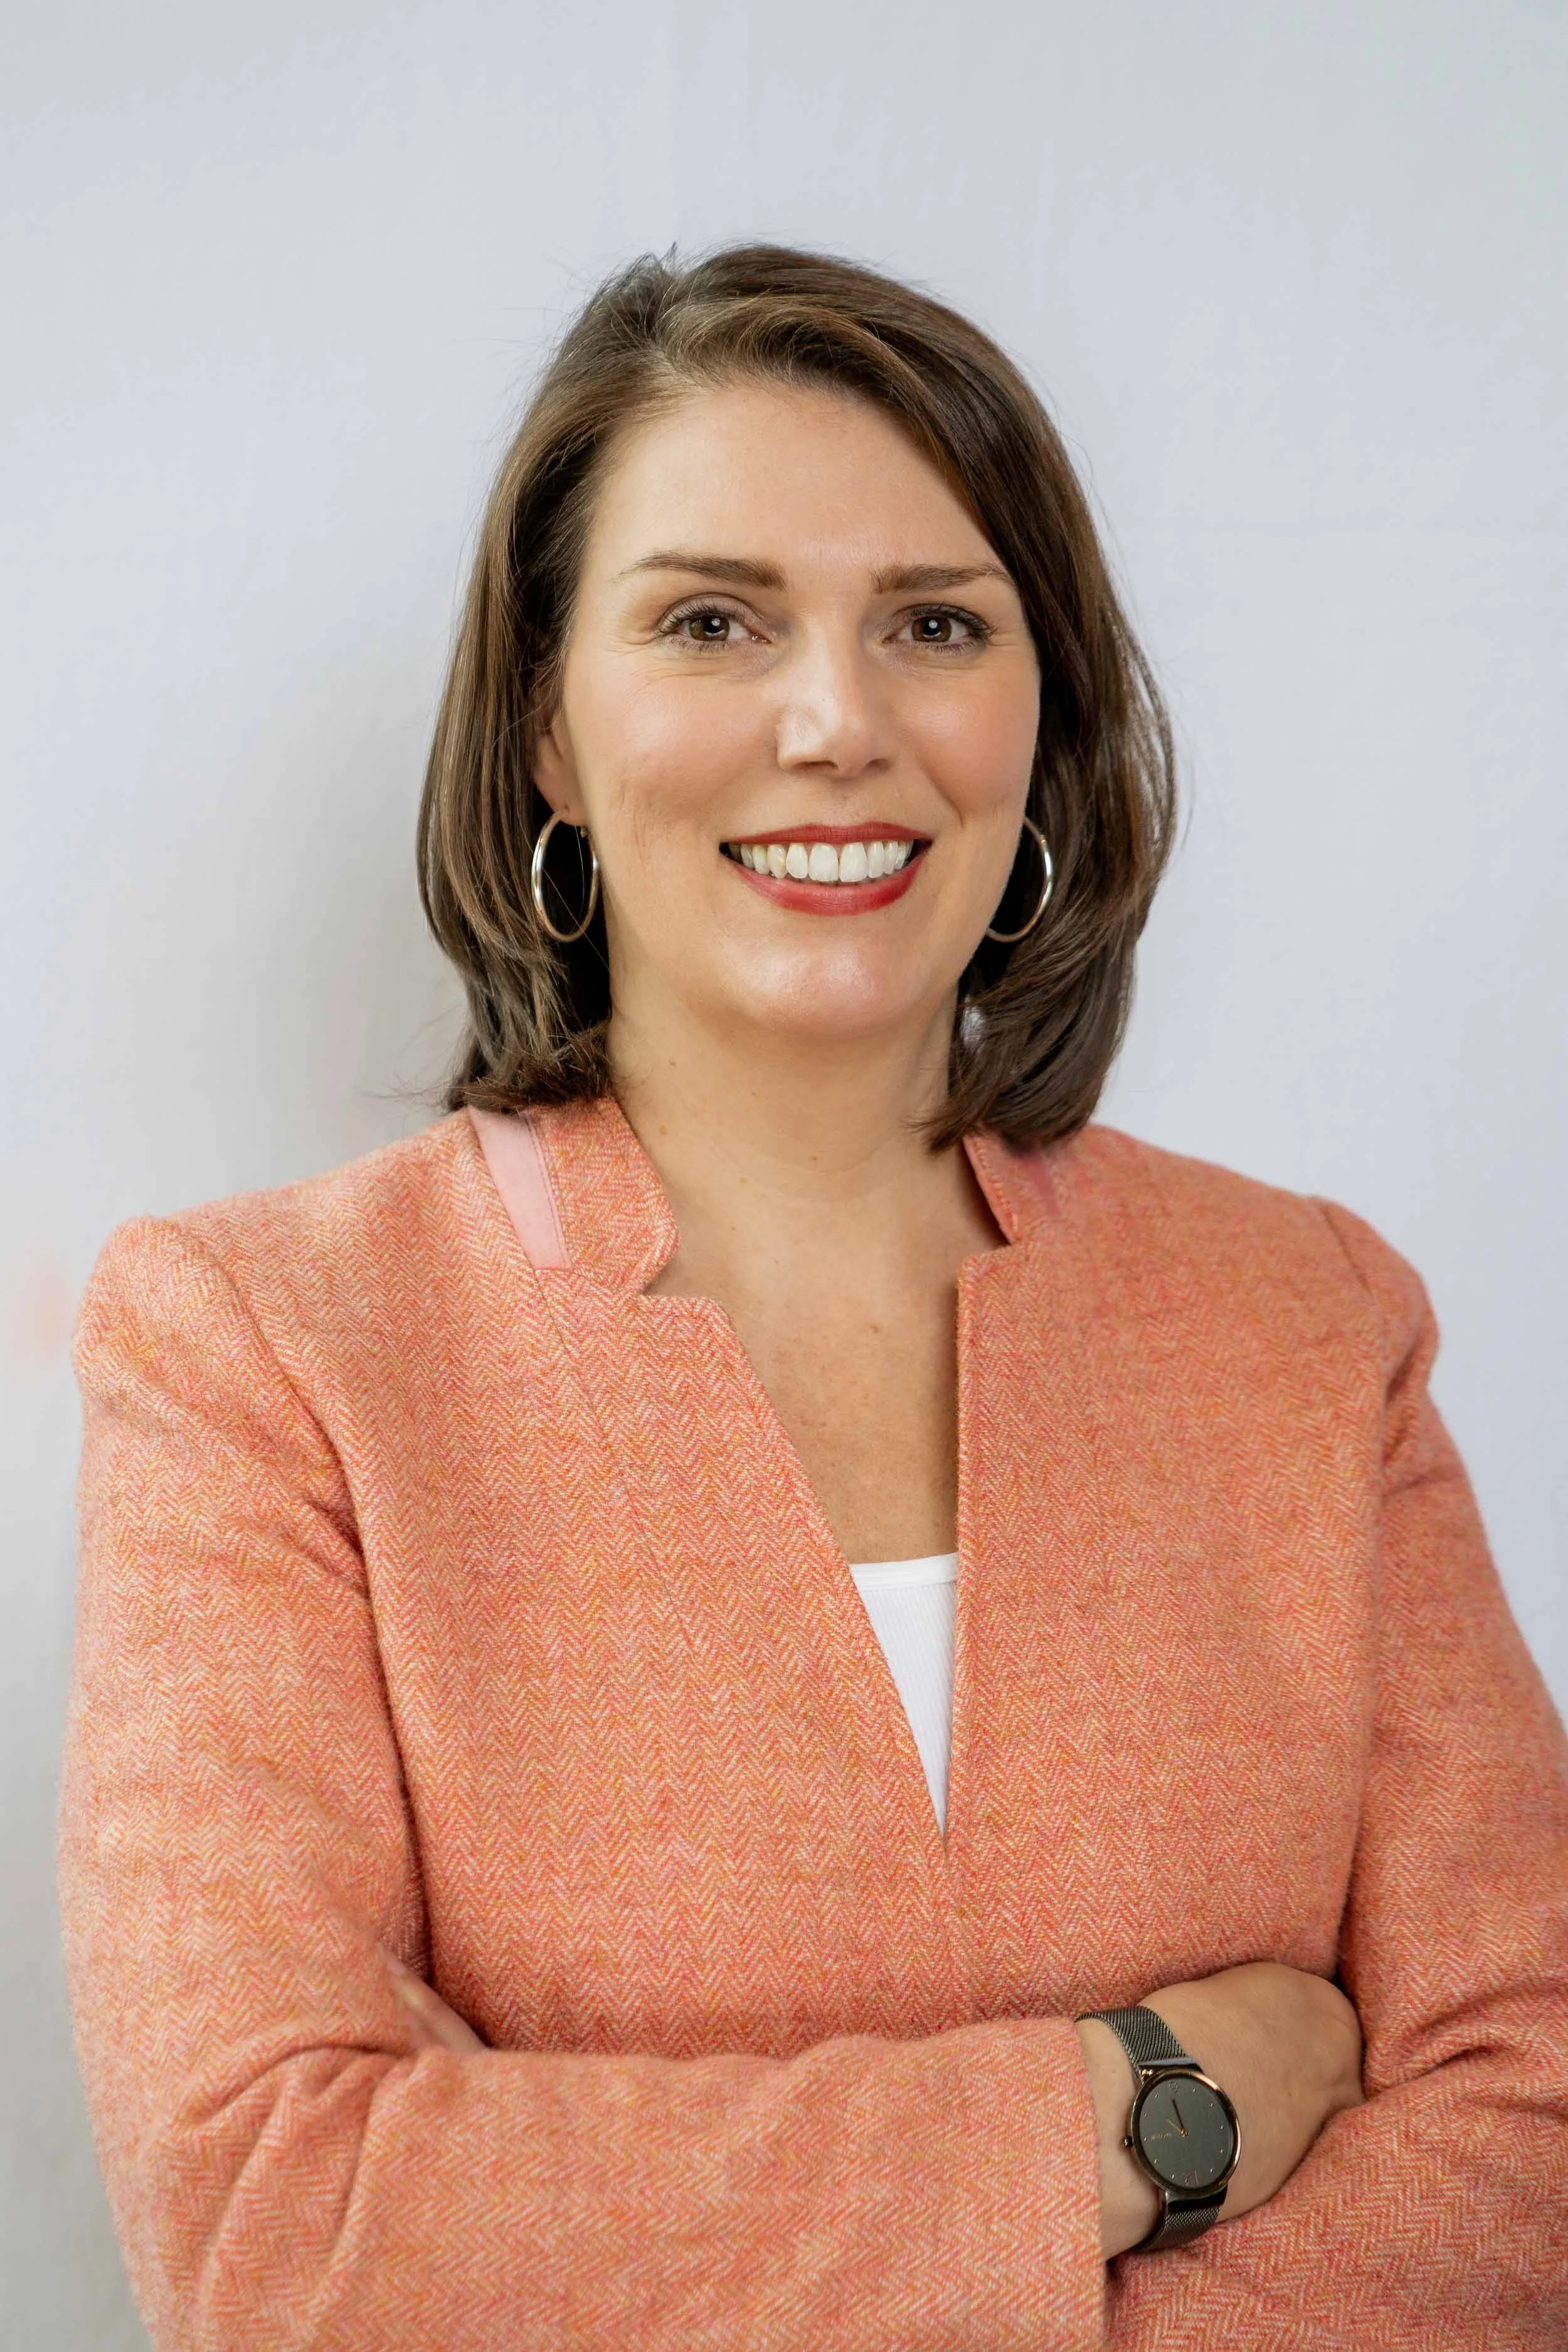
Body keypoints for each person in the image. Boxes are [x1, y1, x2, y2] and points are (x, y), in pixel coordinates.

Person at [59, 245, 1568, 2351]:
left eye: (933, 623)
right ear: (548, 731)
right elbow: (281, 2227)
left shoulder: (1309, 1319)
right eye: (711, 620)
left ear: (1039, 711)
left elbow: (1532, 2128)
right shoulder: (262, 1344)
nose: (836, 722)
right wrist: (1137, 2106)